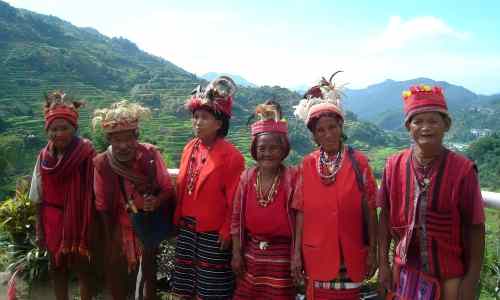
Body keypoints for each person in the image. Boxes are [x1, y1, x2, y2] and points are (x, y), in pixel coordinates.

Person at [377, 85, 485, 300]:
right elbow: (385, 218)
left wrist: (471, 280)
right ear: (409, 127)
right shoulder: (394, 165)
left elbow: (475, 228)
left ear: (446, 125)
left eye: (433, 121)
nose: (425, 128)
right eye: (418, 121)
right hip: (404, 269)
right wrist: (384, 265)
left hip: (448, 273)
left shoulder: (463, 170)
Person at [291, 72, 378, 300]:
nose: (328, 134)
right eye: (321, 130)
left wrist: (374, 251)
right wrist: (296, 254)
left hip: (351, 253)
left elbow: (370, 209)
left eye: (332, 127)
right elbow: (300, 212)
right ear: (314, 136)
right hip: (316, 253)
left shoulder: (358, 162)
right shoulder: (307, 164)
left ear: (341, 127)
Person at [171, 76, 245, 299]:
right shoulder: (189, 148)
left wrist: (226, 230)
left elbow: (235, 199)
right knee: (186, 285)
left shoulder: (231, 156)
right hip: (187, 228)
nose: (197, 122)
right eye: (195, 117)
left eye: (204, 117)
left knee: (210, 287)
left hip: (213, 232)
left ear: (219, 123)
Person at [92, 100, 175, 300]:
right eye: (116, 140)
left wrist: (155, 202)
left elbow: (167, 189)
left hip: (146, 228)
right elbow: (102, 205)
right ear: (109, 140)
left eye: (128, 139)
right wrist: (110, 239)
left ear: (136, 136)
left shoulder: (150, 155)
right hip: (119, 231)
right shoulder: (102, 164)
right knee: (119, 279)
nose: (123, 146)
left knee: (148, 275)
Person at [29, 91, 96, 300]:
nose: (58, 134)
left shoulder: (86, 154)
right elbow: (37, 195)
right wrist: (40, 229)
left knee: (84, 269)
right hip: (52, 220)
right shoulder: (43, 158)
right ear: (47, 131)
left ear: (74, 128)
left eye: (64, 128)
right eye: (54, 129)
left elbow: (97, 190)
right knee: (57, 269)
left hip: (81, 220)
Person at [231, 101, 297, 299]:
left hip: (282, 257)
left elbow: (301, 218)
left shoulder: (292, 178)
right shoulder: (247, 177)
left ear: (283, 150)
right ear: (254, 150)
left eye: (273, 148)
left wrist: (297, 256)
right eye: (262, 148)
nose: (267, 153)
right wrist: (236, 253)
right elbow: (236, 219)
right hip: (251, 253)